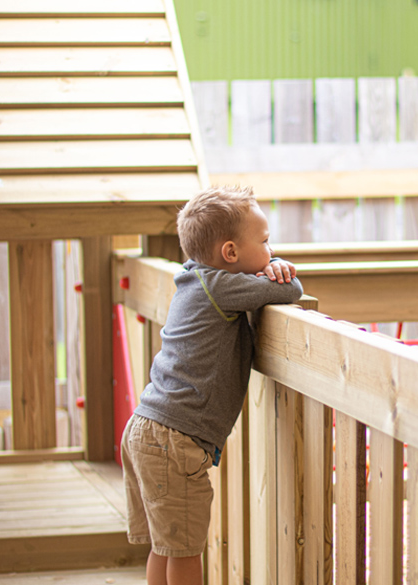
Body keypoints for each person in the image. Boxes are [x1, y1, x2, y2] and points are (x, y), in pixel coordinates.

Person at [121, 185, 303, 585]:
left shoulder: (194, 278)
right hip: (172, 439)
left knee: (165, 545)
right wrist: (280, 270)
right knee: (186, 552)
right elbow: (291, 290)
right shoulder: (220, 286)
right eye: (266, 242)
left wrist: (268, 265)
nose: (270, 251)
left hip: (148, 428)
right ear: (231, 253)